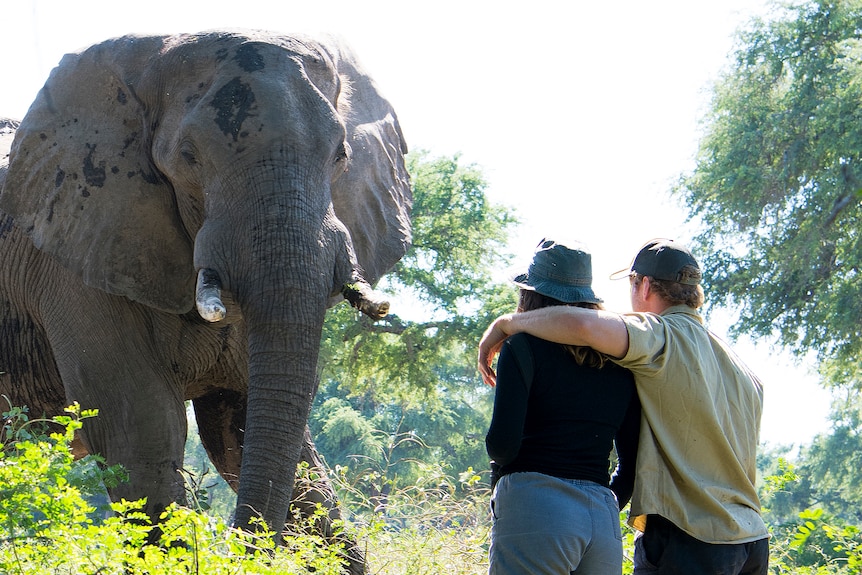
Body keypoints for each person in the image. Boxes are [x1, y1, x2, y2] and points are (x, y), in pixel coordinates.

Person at [479, 238, 769, 575]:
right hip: (751, 541)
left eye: (632, 286)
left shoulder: (659, 337)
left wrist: (507, 324)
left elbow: (584, 327)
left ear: (644, 285)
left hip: (692, 537)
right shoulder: (741, 367)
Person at [485, 239, 641, 575]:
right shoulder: (622, 362)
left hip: (534, 503)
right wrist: (602, 505)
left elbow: (503, 444)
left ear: (529, 295)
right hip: (601, 516)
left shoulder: (521, 346)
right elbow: (632, 464)